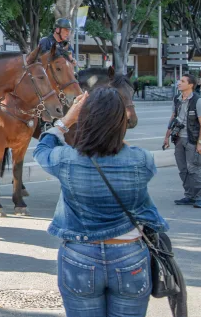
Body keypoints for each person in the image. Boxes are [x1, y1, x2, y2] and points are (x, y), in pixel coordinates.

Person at [35, 88, 169, 317]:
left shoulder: (66, 159)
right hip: (130, 254)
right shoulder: (142, 159)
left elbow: (42, 148)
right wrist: (112, 127)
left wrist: (68, 119)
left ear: (84, 119)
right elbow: (121, 149)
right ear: (122, 120)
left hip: (79, 255)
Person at [163, 73, 201, 208]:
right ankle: (189, 196)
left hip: (192, 140)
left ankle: (200, 198)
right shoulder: (177, 99)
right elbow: (172, 119)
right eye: (179, 80)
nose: (179, 83)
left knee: (194, 169)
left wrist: (200, 143)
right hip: (178, 139)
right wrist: (166, 137)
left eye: (182, 81)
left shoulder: (197, 101)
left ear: (190, 85)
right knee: (183, 170)